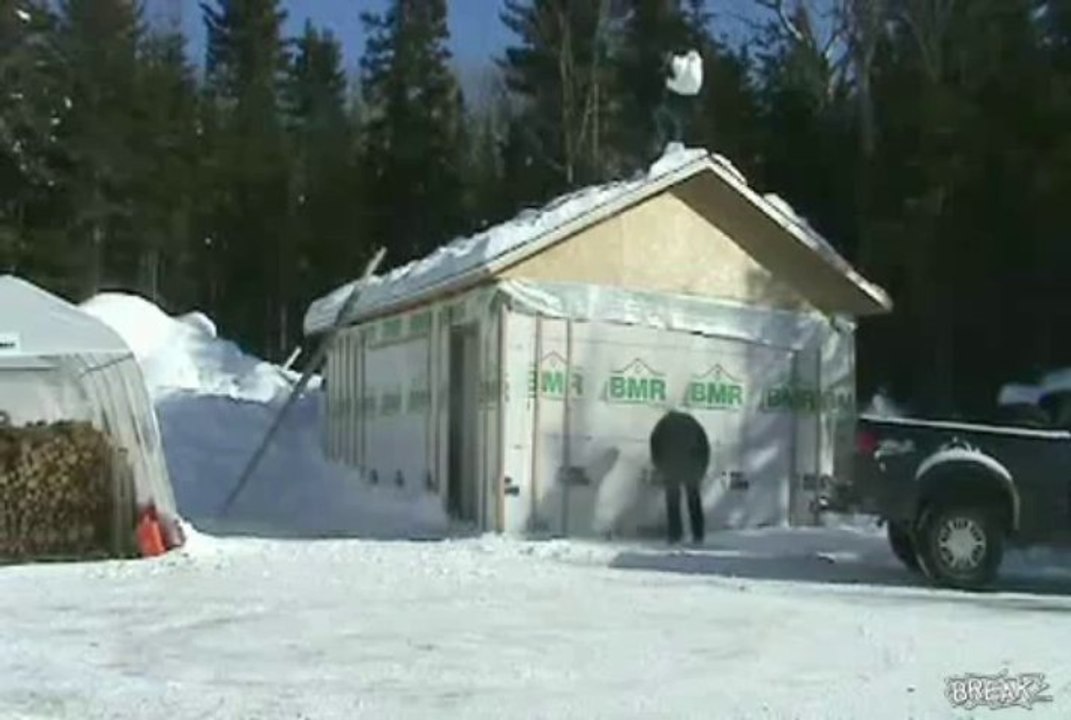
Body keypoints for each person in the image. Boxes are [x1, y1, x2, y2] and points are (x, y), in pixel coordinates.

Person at [649, 409, 710, 545]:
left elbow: (655, 445)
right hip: (691, 469)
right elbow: (704, 446)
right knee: (694, 502)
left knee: (673, 504)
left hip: (671, 469)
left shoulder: (664, 424)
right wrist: (701, 468)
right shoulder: (692, 424)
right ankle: (698, 534)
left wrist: (659, 466)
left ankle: (675, 534)